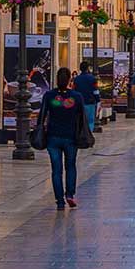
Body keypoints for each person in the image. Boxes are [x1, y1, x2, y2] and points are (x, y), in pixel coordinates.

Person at [38, 67, 84, 210]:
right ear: (70, 79)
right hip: (70, 137)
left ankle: (59, 201)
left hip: (53, 138)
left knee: (56, 170)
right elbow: (82, 117)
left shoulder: (49, 96)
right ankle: (69, 194)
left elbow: (42, 116)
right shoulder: (76, 97)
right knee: (70, 166)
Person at [73, 61, 99, 132]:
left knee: (80, 120)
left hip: (79, 103)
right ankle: (89, 134)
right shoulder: (93, 79)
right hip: (90, 102)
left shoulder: (76, 79)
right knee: (90, 120)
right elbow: (95, 91)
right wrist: (98, 100)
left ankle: (81, 134)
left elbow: (74, 91)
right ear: (88, 68)